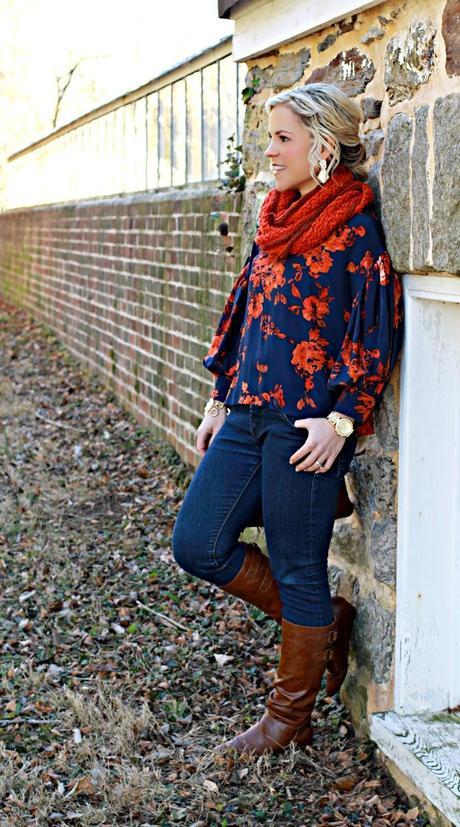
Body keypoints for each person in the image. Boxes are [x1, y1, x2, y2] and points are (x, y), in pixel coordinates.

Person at [172, 82, 404, 757]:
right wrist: (219, 400)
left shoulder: (355, 229)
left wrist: (341, 420)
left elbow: (374, 332)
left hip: (307, 429)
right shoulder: (275, 218)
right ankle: (325, 622)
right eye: (269, 137)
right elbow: (243, 314)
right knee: (197, 541)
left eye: (282, 139)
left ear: (323, 147)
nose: (269, 151)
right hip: (246, 415)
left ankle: (286, 719)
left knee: (300, 566)